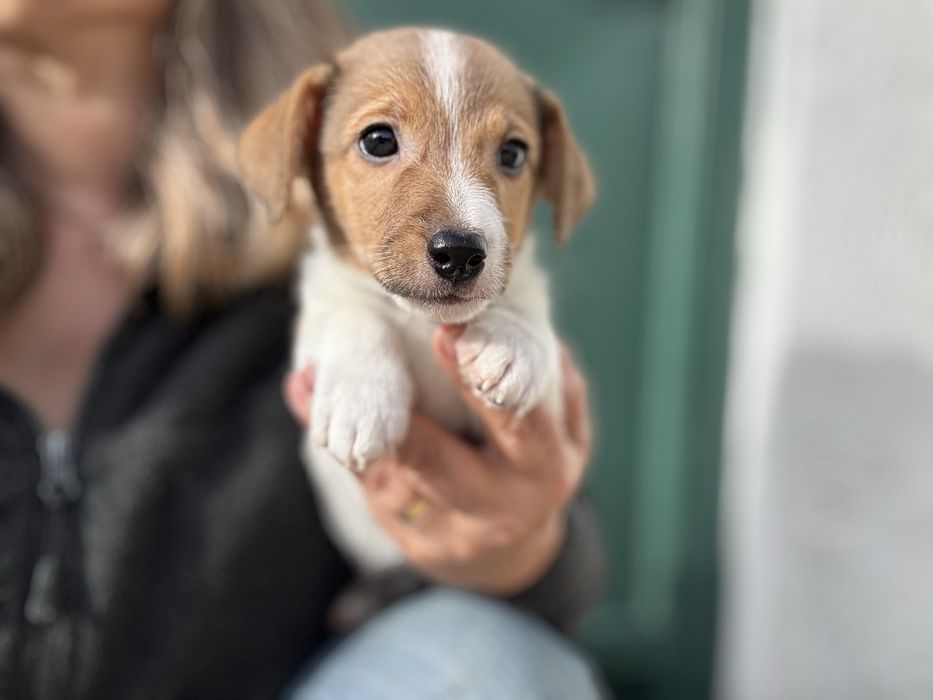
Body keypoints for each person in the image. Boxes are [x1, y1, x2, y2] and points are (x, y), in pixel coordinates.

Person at [0, 1, 606, 698]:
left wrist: (514, 546)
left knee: (491, 658)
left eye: (507, 155)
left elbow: (555, 578)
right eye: (381, 142)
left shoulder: (321, 180)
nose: (457, 213)